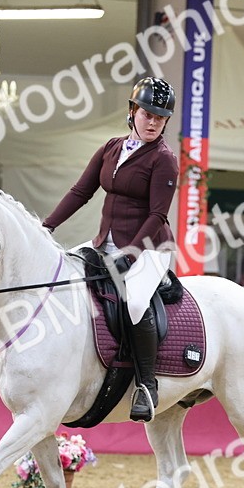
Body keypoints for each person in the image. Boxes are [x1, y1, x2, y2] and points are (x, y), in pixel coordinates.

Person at [42, 76, 179, 422]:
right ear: (132, 112)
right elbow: (80, 192)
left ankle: (147, 386)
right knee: (62, 272)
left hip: (150, 247)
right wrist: (46, 226)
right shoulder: (111, 148)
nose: (153, 122)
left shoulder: (164, 160)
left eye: (160, 118)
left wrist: (130, 254)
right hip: (106, 240)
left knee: (134, 300)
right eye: (147, 114)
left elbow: (158, 214)